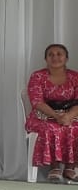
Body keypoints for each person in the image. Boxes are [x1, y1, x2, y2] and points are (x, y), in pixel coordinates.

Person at [25, 44, 77, 182]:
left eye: (59, 54)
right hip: (43, 115)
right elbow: (37, 102)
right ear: (46, 59)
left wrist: (68, 116)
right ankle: (54, 168)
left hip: (70, 114)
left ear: (66, 58)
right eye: (51, 55)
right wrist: (56, 116)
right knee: (51, 128)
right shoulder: (37, 76)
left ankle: (70, 168)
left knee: (74, 127)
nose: (55, 57)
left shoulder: (75, 76)